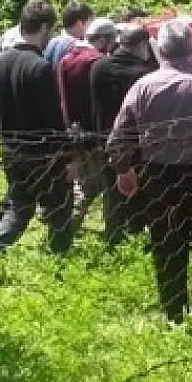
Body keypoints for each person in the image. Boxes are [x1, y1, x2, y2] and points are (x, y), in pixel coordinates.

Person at [108, 20, 192, 324]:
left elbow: (120, 134)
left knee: (167, 244)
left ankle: (173, 311)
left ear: (161, 50)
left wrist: (123, 168)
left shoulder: (143, 86)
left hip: (158, 178)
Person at [0, 0, 76, 255]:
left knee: (19, 204)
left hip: (12, 148)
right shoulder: (40, 67)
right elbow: (52, 118)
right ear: (45, 27)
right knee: (60, 204)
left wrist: (4, 137)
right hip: (43, 153)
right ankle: (59, 257)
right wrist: (67, 154)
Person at [90, 24, 156, 244]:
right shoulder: (142, 75)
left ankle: (113, 240)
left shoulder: (98, 67)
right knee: (138, 194)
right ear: (142, 45)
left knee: (111, 194)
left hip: (104, 139)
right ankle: (137, 236)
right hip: (134, 144)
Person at [61, 17, 117, 237]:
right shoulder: (98, 61)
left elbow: (64, 99)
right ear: (104, 40)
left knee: (84, 184)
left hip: (76, 131)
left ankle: (65, 228)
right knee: (104, 186)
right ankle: (111, 233)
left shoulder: (67, 59)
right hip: (98, 133)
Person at [43, 0, 93, 65]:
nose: (92, 26)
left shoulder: (51, 42)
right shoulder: (78, 47)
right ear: (80, 23)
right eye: (90, 22)